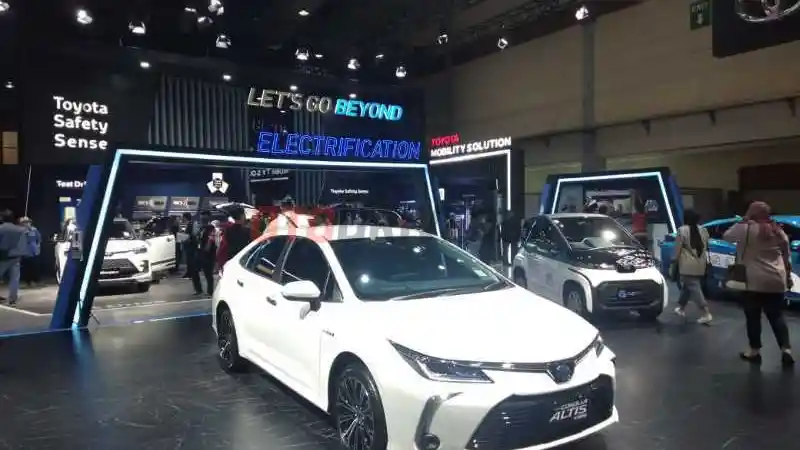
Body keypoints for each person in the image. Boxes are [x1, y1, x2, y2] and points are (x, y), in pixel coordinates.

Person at [724, 201, 793, 367]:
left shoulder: (745, 228)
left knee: (753, 316)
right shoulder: (777, 230)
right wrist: (788, 276)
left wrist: (743, 219)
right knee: (776, 315)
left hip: (753, 279)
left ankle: (754, 350)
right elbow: (786, 254)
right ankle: (786, 349)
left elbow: (727, 236)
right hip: (776, 279)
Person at [672, 210, 713, 324]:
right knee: (688, 286)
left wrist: (674, 260)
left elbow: (678, 249)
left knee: (694, 287)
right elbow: (707, 245)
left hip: (687, 264)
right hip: (700, 263)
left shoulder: (682, 230)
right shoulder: (704, 230)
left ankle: (706, 313)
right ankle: (681, 308)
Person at [0, 210, 28, 306]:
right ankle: (12, 299)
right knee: (15, 279)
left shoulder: (1, 229)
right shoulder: (20, 229)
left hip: (2, 257)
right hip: (16, 256)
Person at [191, 210, 216, 296]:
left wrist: (207, 247)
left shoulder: (211, 228)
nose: (202, 218)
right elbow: (196, 237)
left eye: (204, 216)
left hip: (208, 254)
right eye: (201, 216)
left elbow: (211, 239)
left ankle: (210, 291)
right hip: (199, 252)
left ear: (208, 217)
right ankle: (198, 289)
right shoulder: (200, 227)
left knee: (208, 273)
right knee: (194, 271)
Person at [19, 217, 42, 287]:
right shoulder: (20, 231)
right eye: (24, 223)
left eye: (27, 222)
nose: (26, 224)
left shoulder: (34, 230)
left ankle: (35, 281)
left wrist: (38, 247)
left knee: (35, 267)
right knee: (26, 267)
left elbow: (39, 239)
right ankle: (27, 281)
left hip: (34, 251)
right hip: (25, 251)